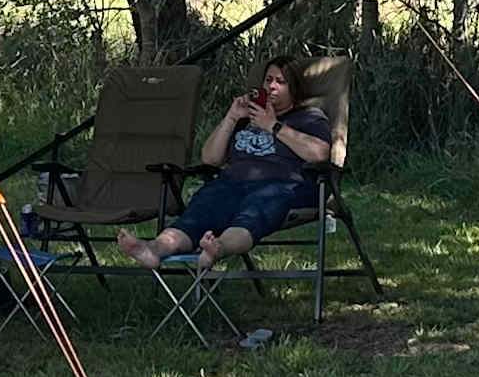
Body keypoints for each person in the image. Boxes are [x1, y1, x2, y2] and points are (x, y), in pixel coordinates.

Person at [123, 56, 333, 272]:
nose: (271, 86)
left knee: (253, 213)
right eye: (268, 80)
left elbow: (320, 153)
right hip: (232, 183)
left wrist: (273, 125)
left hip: (281, 187)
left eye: (281, 81)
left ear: (295, 88)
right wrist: (232, 117)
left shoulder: (309, 117)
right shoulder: (247, 119)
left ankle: (218, 248)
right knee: (199, 212)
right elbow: (210, 159)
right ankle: (154, 249)